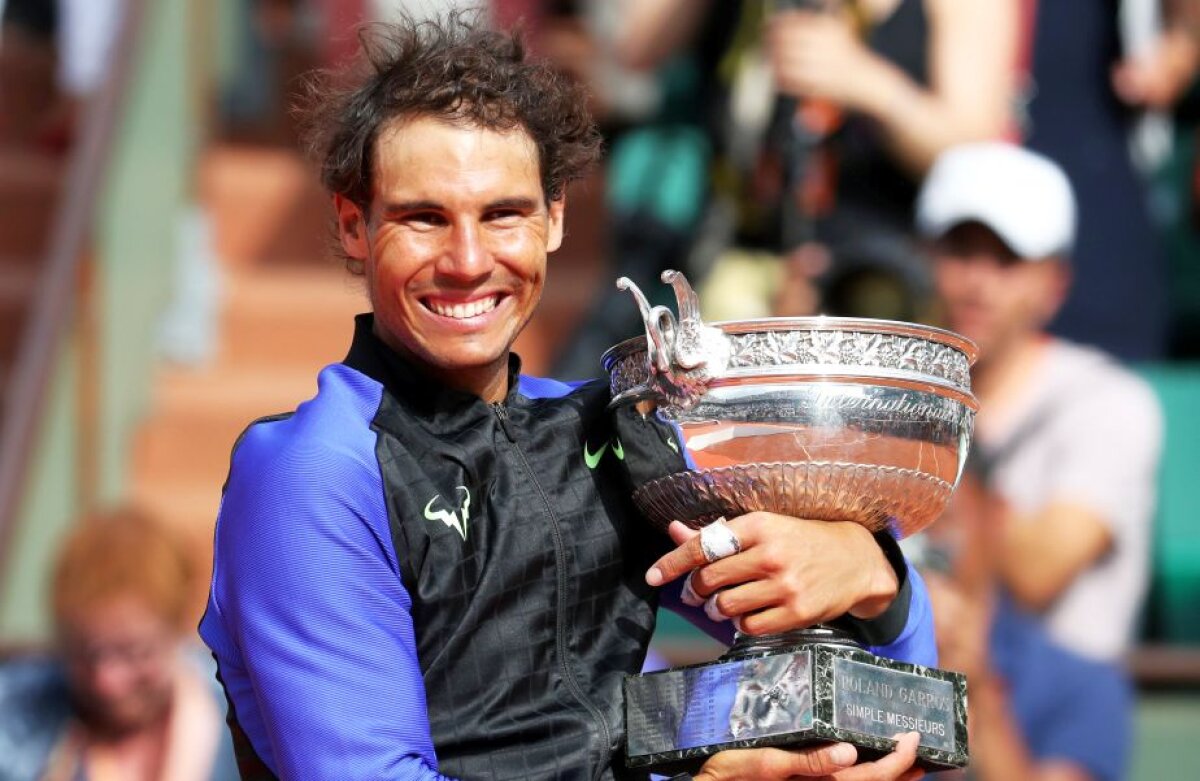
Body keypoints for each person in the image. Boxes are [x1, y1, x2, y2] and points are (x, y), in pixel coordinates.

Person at [199, 13, 937, 780]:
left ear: (554, 217)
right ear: (354, 225)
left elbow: (897, 701)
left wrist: (871, 573)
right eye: (424, 218)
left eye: (503, 214)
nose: (467, 260)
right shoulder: (313, 472)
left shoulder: (606, 430)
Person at [916, 141, 1164, 664]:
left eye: (1007, 260)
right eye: (960, 252)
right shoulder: (891, 392)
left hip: (1054, 702)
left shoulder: (1110, 402)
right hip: (910, 689)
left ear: (1055, 285)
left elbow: (1038, 573)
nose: (978, 283)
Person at [917, 472, 1134, 781]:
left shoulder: (1086, 686)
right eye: (900, 530)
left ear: (996, 515)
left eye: (940, 521)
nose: (921, 544)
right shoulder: (857, 657)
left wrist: (978, 693)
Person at [0, 506, 236, 781]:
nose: (107, 681)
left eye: (134, 652)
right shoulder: (17, 720)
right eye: (85, 654)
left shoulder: (246, 726)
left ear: (178, 628)